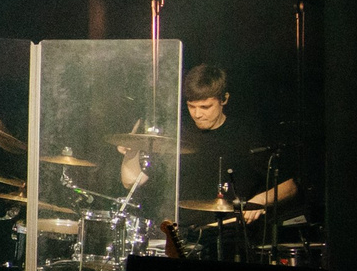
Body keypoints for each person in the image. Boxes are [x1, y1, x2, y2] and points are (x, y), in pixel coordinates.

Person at [117, 61, 298, 236]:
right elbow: (131, 183)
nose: (197, 114)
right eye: (191, 106)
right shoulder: (177, 135)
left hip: (230, 236)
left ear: (224, 99)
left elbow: (289, 187)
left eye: (205, 107)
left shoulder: (246, 136)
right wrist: (132, 150)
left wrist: (257, 202)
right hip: (180, 236)